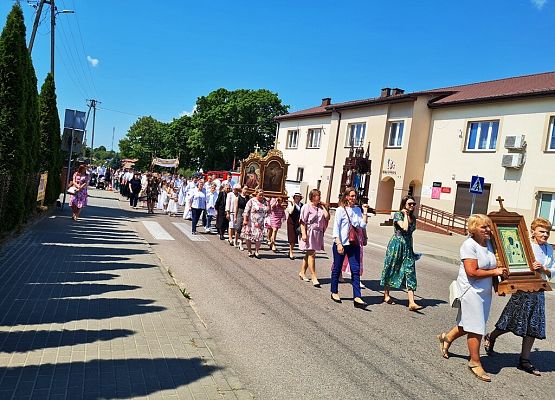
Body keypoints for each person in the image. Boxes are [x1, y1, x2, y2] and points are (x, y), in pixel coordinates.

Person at [437, 214, 507, 382]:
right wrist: (495, 272)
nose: (488, 230)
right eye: (484, 227)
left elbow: (494, 266)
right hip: (471, 290)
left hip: (484, 291)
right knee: (476, 327)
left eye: (489, 227)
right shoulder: (469, 245)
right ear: (473, 229)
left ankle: (447, 337)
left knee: (470, 323)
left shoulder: (489, 243)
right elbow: (472, 271)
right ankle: (475, 362)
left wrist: (498, 285)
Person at [484, 217, 554, 376]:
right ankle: (491, 336)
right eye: (542, 231)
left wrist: (544, 269)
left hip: (539, 291)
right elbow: (514, 259)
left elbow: (553, 268)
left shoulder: (549, 249)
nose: (545, 234)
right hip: (523, 289)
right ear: (533, 231)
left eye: (547, 232)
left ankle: (524, 360)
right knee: (511, 320)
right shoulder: (525, 245)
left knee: (534, 325)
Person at [380, 195, 422, 310]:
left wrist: (408, 216)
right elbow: (404, 228)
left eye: (414, 204)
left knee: (410, 272)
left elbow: (410, 231)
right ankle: (386, 295)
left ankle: (411, 302)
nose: (412, 206)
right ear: (404, 205)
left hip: (408, 248)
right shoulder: (398, 215)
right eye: (410, 204)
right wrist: (405, 214)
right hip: (396, 246)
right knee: (392, 268)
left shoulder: (413, 218)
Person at [330, 187, 368, 308]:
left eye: (355, 196)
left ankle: (357, 297)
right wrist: (338, 243)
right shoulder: (340, 210)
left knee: (355, 270)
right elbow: (336, 228)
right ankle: (334, 291)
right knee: (337, 268)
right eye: (351, 196)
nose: (353, 198)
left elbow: (362, 225)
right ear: (346, 197)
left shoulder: (357, 209)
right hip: (342, 244)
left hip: (354, 244)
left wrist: (365, 212)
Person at [298, 189, 330, 287]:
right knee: (312, 254)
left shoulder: (320, 208)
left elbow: (327, 217)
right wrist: (304, 234)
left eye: (319, 195)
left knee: (309, 253)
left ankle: (302, 272)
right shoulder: (306, 207)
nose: (318, 197)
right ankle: (314, 276)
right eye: (316, 195)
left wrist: (323, 206)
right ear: (312, 197)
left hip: (318, 233)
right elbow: (303, 221)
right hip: (309, 232)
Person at [242, 188, 269, 259]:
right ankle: (249, 250)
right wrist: (245, 220)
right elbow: (246, 211)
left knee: (259, 238)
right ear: (256, 194)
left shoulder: (265, 202)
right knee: (248, 237)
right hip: (251, 222)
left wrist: (269, 204)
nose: (261, 196)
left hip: (260, 223)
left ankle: (257, 251)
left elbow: (269, 211)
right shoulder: (252, 201)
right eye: (260, 195)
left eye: (262, 195)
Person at [286, 193, 303, 260]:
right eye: (296, 197)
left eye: (299, 197)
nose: (297, 198)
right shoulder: (290, 204)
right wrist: (293, 204)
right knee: (292, 237)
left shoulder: (301, 205)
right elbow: (290, 212)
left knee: (295, 238)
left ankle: (291, 250)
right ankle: (291, 251)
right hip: (291, 222)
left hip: (298, 223)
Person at [234, 185, 250, 251]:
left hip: (246, 213)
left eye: (247, 189)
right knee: (238, 228)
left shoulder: (248, 198)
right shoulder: (238, 198)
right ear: (242, 189)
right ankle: (235, 240)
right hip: (240, 212)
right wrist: (235, 216)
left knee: (244, 229)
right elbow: (236, 208)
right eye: (245, 189)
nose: (246, 190)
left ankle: (240, 243)